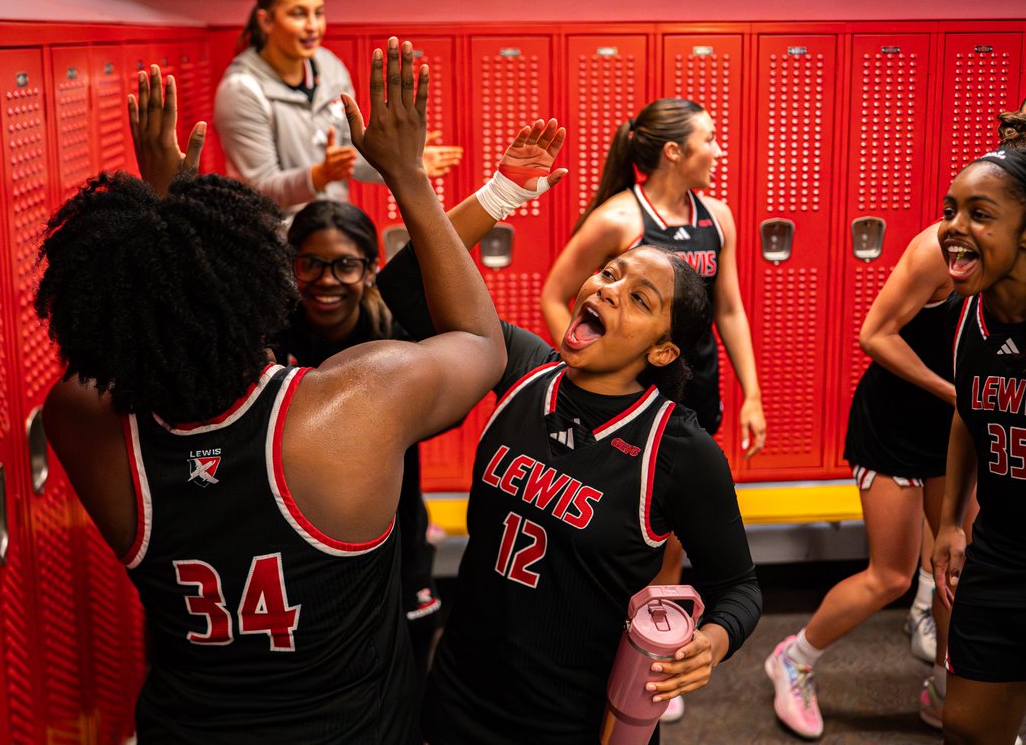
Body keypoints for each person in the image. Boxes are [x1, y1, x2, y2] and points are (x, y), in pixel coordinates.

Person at [36, 40, 503, 743]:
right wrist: (408, 176)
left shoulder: (81, 423)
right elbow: (479, 342)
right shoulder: (350, 404)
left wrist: (166, 228)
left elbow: (120, 345)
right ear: (264, 284)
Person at [377, 120, 762, 745]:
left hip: (573, 720)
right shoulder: (523, 368)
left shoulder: (677, 448)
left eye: (639, 299)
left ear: (663, 353)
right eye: (611, 275)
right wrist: (500, 195)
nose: (608, 292)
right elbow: (404, 285)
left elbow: (737, 587)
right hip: (458, 692)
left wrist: (713, 641)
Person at [539, 100, 766, 721]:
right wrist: (579, 368)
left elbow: (729, 310)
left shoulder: (717, 216)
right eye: (710, 140)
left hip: (695, 393)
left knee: (674, 532)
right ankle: (606, 635)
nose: (719, 152)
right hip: (626, 401)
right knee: (623, 526)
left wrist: (753, 393)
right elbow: (557, 294)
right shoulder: (618, 217)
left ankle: (649, 647)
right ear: (674, 151)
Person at [764, 222, 962, 739]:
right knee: (891, 575)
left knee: (955, 567)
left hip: (957, 432)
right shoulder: (939, 249)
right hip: (894, 425)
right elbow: (874, 335)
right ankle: (793, 659)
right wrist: (953, 393)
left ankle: (944, 688)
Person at [275, 199, 441, 682]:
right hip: (295, 531)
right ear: (292, 266)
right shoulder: (271, 331)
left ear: (370, 269)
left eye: (345, 265)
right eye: (310, 264)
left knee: (409, 653)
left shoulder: (395, 335)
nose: (326, 280)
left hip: (394, 530)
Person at [214, 0, 462, 215]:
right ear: (266, 21)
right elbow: (258, 189)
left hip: (332, 228)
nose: (313, 26)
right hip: (273, 239)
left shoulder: (330, 67)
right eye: (298, 14)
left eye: (318, 13)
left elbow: (348, 154)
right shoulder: (241, 90)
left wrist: (399, 162)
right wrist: (319, 176)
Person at [933, 144, 1026, 745]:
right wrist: (949, 523)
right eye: (951, 210)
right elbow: (968, 416)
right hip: (1001, 550)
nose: (953, 228)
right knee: (966, 727)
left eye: (979, 213)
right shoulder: (970, 314)